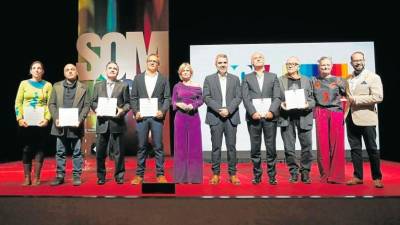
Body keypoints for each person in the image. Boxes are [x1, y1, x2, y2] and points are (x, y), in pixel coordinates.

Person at [130, 53, 171, 184]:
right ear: (146, 63)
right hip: (142, 117)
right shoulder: (138, 78)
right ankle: (139, 175)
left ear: (158, 64)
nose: (152, 63)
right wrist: (136, 111)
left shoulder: (163, 79)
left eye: (155, 61)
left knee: (158, 146)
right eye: (150, 61)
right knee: (142, 146)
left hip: (157, 117)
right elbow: (133, 97)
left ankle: (160, 175)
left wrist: (163, 111)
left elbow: (167, 98)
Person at [345, 51, 384, 188]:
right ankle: (357, 176)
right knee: (355, 149)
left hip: (367, 118)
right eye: (355, 61)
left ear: (364, 60)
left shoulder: (373, 77)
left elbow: (378, 97)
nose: (358, 62)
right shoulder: (348, 78)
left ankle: (377, 178)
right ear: (351, 62)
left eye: (360, 60)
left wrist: (357, 99)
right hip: (351, 118)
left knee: (372, 149)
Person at [242, 52, 281, 185]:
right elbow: (245, 98)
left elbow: (277, 97)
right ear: (252, 62)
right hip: (254, 118)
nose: (258, 59)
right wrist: (253, 112)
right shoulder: (247, 78)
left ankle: (272, 176)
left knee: (271, 148)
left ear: (264, 61)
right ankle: (257, 175)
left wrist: (272, 111)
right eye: (255, 58)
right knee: (255, 148)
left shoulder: (273, 76)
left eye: (261, 58)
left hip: (270, 118)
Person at [48, 63, 90, 186]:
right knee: (60, 151)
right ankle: (60, 175)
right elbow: (51, 104)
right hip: (60, 125)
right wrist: (56, 118)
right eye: (67, 70)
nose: (70, 71)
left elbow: (87, 105)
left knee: (77, 152)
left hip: (75, 125)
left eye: (72, 69)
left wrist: (80, 119)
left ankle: (76, 175)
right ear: (64, 72)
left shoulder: (83, 87)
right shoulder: (56, 86)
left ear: (77, 72)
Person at [203, 54, 242, 185]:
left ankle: (233, 174)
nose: (223, 64)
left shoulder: (235, 79)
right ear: (216, 64)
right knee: (216, 147)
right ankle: (215, 174)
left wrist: (229, 110)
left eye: (225, 62)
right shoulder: (209, 79)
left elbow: (238, 97)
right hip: (215, 116)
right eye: (220, 62)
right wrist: (220, 109)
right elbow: (206, 98)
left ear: (228, 63)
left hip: (231, 117)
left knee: (231, 147)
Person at [91, 61, 130, 185]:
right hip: (102, 123)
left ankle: (119, 176)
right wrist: (96, 108)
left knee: (118, 153)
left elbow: (128, 103)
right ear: (106, 70)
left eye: (115, 68)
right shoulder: (98, 85)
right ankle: (101, 176)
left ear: (117, 72)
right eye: (110, 68)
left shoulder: (123, 86)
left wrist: (122, 110)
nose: (112, 70)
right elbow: (92, 102)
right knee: (100, 153)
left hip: (117, 123)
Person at [15, 60, 52, 186]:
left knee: (40, 148)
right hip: (26, 122)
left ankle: (36, 177)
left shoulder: (48, 85)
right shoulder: (23, 84)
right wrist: (20, 118)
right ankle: (27, 177)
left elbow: (49, 104)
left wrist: (47, 119)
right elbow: (18, 103)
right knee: (26, 149)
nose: (37, 70)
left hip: (41, 122)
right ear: (30, 71)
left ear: (43, 71)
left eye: (39, 68)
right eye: (34, 68)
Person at [278, 56, 315, 184]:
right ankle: (293, 172)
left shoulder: (307, 80)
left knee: (307, 146)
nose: (290, 66)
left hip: (304, 116)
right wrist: (280, 105)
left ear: (298, 66)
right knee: (289, 148)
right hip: (286, 117)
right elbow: (276, 98)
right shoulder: (280, 80)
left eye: (293, 64)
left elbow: (313, 99)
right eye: (288, 64)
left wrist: (307, 105)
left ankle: (305, 171)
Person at [313, 56, 347, 184]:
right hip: (320, 112)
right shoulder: (314, 80)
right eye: (323, 65)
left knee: (337, 144)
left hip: (336, 112)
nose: (325, 67)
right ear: (319, 67)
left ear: (332, 66)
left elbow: (346, 97)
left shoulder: (340, 80)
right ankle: (325, 175)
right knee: (322, 145)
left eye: (327, 65)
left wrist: (344, 114)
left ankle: (336, 176)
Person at [172, 63, 204, 183]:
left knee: (194, 147)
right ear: (180, 74)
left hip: (193, 117)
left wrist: (193, 105)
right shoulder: (177, 86)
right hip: (180, 118)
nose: (185, 72)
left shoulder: (197, 86)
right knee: (180, 147)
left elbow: (201, 100)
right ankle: (181, 177)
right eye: (183, 71)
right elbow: (173, 101)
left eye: (187, 70)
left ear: (191, 73)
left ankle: (194, 177)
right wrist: (178, 104)